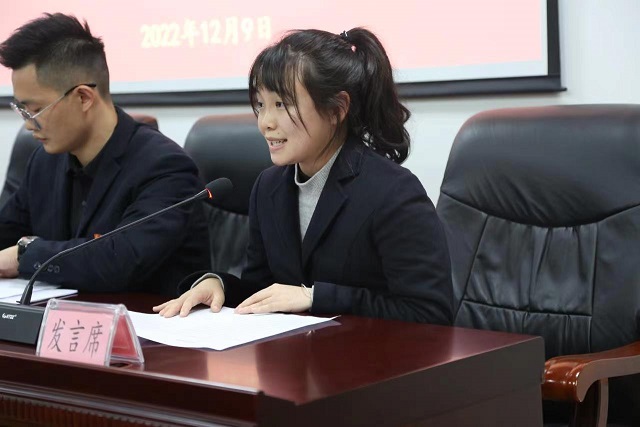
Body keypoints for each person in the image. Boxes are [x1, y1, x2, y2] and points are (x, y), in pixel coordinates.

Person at [155, 28, 452, 323]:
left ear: (337, 109)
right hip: (294, 352)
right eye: (261, 105)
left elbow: (430, 313)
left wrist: (314, 297)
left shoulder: (393, 192)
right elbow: (264, 291)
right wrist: (219, 284)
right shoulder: (268, 187)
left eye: (281, 105)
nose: (265, 122)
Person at [0, 13, 210, 296]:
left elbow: (118, 261)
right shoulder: (44, 161)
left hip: (144, 321)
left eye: (36, 110)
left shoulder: (166, 167)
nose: (28, 124)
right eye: (22, 110)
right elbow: (6, 230)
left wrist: (25, 254)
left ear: (84, 97)